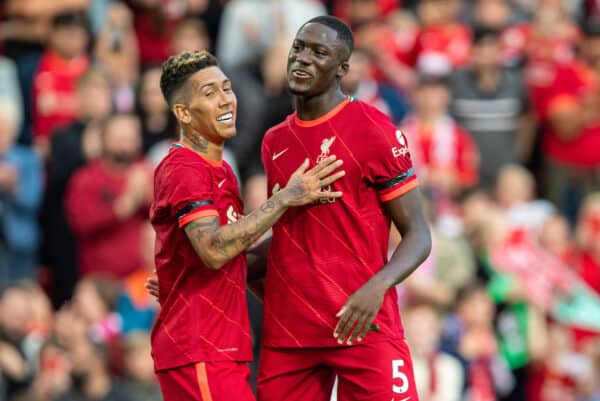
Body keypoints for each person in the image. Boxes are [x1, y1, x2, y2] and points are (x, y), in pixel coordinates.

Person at [150, 50, 345, 401]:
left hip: (222, 347)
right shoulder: (185, 169)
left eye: (227, 88)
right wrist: (284, 198)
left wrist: (176, 277)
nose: (226, 99)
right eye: (209, 93)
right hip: (200, 349)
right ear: (182, 112)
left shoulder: (222, 170)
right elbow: (213, 249)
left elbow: (217, 253)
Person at [257, 16, 431, 401]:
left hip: (361, 320)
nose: (302, 59)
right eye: (299, 48)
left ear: (342, 69)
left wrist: (380, 284)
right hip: (290, 335)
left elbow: (418, 234)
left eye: (319, 52)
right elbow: (292, 236)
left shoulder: (375, 131)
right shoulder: (274, 141)